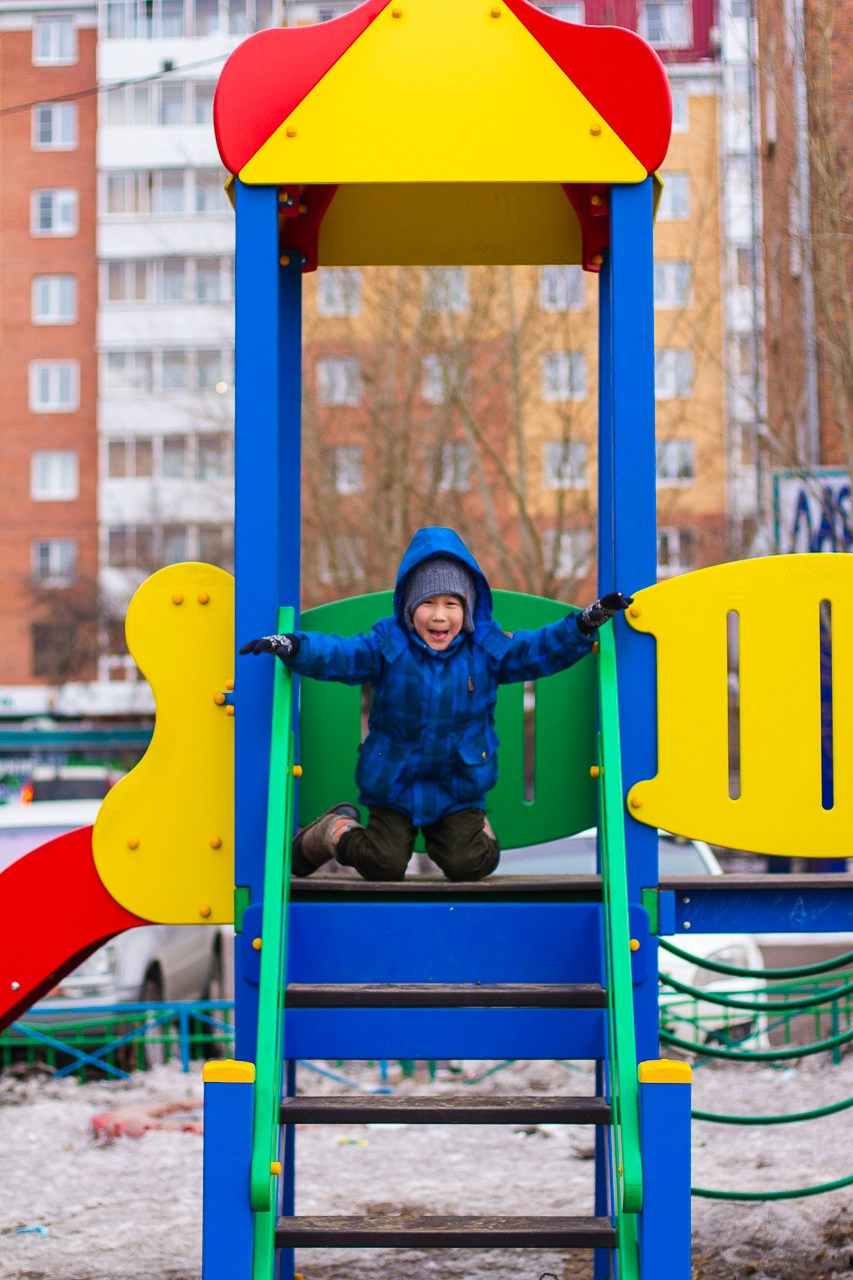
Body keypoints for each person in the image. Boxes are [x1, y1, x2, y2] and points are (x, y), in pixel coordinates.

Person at [240, 526, 631, 881]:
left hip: (456, 786)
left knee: (472, 864)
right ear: (409, 608)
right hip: (395, 784)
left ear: (469, 608)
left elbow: (538, 650)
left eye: (452, 604)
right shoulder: (387, 647)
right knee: (383, 864)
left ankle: (478, 827)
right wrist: (293, 646)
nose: (440, 616)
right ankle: (333, 828)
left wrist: (583, 624)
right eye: (428, 603)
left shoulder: (487, 649)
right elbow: (339, 654)